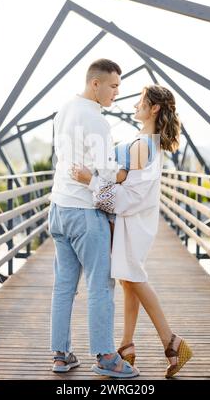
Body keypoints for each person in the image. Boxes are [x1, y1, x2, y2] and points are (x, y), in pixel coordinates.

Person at [71, 84, 193, 378]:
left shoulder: (143, 144)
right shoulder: (146, 141)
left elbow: (131, 196)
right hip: (137, 220)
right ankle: (127, 345)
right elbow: (127, 184)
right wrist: (117, 177)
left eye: (141, 102)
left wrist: (91, 181)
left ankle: (172, 342)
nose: (135, 105)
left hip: (133, 221)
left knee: (133, 277)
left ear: (154, 109)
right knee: (129, 279)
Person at [48, 58, 139, 378]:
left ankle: (60, 355)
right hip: (85, 213)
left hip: (58, 209)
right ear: (95, 84)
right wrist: (128, 173)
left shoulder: (64, 110)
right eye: (113, 86)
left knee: (63, 286)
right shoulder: (97, 121)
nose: (117, 92)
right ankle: (105, 356)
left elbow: (64, 158)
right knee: (101, 285)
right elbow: (106, 171)